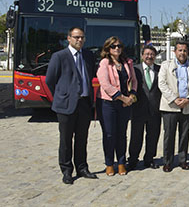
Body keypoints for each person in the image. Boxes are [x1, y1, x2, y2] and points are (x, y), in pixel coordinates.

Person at [45, 27, 98, 184]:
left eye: (82, 37)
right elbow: (50, 80)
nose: (79, 40)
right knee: (66, 140)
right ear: (69, 38)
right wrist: (62, 96)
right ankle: (67, 170)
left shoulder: (88, 56)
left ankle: (82, 167)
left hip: (84, 104)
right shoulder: (59, 56)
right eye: (76, 37)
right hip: (66, 105)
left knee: (82, 139)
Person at [158, 41, 189, 172]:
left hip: (187, 106)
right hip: (170, 106)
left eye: (184, 50)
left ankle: (183, 160)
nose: (182, 53)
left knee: (184, 135)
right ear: (174, 52)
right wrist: (174, 99)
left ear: (188, 52)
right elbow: (162, 83)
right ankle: (168, 162)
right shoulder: (166, 66)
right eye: (180, 50)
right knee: (169, 135)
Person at [97, 36, 137, 176]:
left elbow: (134, 81)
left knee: (122, 134)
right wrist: (122, 98)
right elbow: (105, 84)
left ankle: (121, 162)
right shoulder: (104, 63)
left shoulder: (127, 62)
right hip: (108, 103)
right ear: (108, 48)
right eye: (113, 46)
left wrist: (132, 95)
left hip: (125, 104)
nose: (117, 49)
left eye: (119, 46)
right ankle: (109, 163)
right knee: (109, 134)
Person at [127, 45, 162, 171]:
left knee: (153, 136)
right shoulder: (135, 70)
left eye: (152, 54)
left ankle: (149, 159)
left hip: (155, 109)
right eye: (147, 54)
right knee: (136, 136)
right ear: (142, 55)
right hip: (138, 109)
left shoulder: (160, 69)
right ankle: (132, 160)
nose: (149, 56)